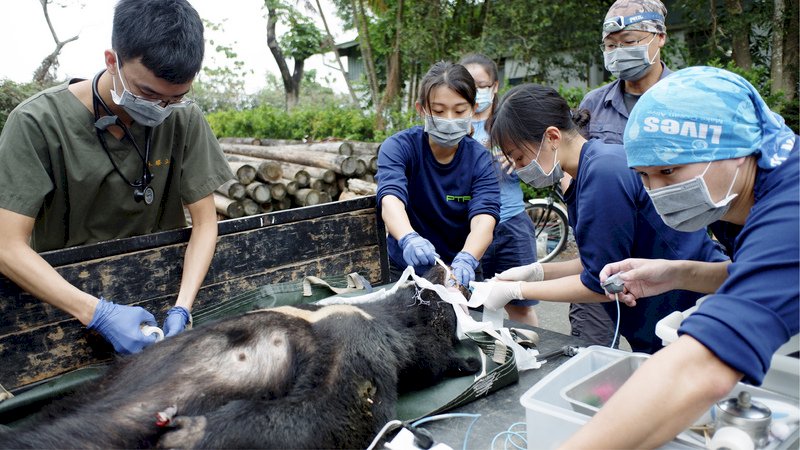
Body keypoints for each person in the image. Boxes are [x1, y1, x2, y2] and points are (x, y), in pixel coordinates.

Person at [560, 66, 799, 449]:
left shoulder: (791, 208)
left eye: (669, 170)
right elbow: (764, 273)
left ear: (735, 149)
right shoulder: (738, 197)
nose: (657, 191)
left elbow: (702, 369)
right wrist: (676, 273)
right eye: (643, 176)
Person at [0, 0, 234, 355]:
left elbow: (204, 223)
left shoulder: (183, 118)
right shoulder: (36, 123)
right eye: (148, 93)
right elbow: (6, 246)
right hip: (63, 302)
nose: (161, 109)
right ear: (112, 61)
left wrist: (183, 307)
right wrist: (96, 313)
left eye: (176, 98)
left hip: (159, 290)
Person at [479, 83, 728, 353]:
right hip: (664, 311)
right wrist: (537, 271)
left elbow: (599, 284)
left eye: (520, 158)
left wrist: (519, 291)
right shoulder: (592, 167)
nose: (518, 169)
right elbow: (599, 261)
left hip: (686, 308)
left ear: (552, 137)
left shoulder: (601, 176)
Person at [572, 0, 673, 347]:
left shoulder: (684, 100)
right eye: (611, 45)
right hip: (603, 256)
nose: (618, 52)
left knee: (662, 350)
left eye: (629, 42)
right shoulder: (593, 105)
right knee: (591, 354)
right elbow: (577, 175)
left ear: (659, 37)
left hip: (667, 255)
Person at [375, 61, 500, 289]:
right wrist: (408, 238)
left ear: (473, 109)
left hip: (459, 271)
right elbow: (390, 198)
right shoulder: (399, 147)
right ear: (421, 108)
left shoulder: (481, 160)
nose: (450, 119)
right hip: (405, 269)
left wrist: (468, 258)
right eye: (440, 111)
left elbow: (484, 218)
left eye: (460, 110)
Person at [459, 53, 539, 326]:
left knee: (519, 305)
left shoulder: (510, 123)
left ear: (494, 87)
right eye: (469, 85)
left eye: (482, 85)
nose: (476, 91)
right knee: (473, 304)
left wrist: (520, 160)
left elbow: (542, 166)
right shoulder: (455, 125)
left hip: (511, 224)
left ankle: (531, 356)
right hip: (470, 228)